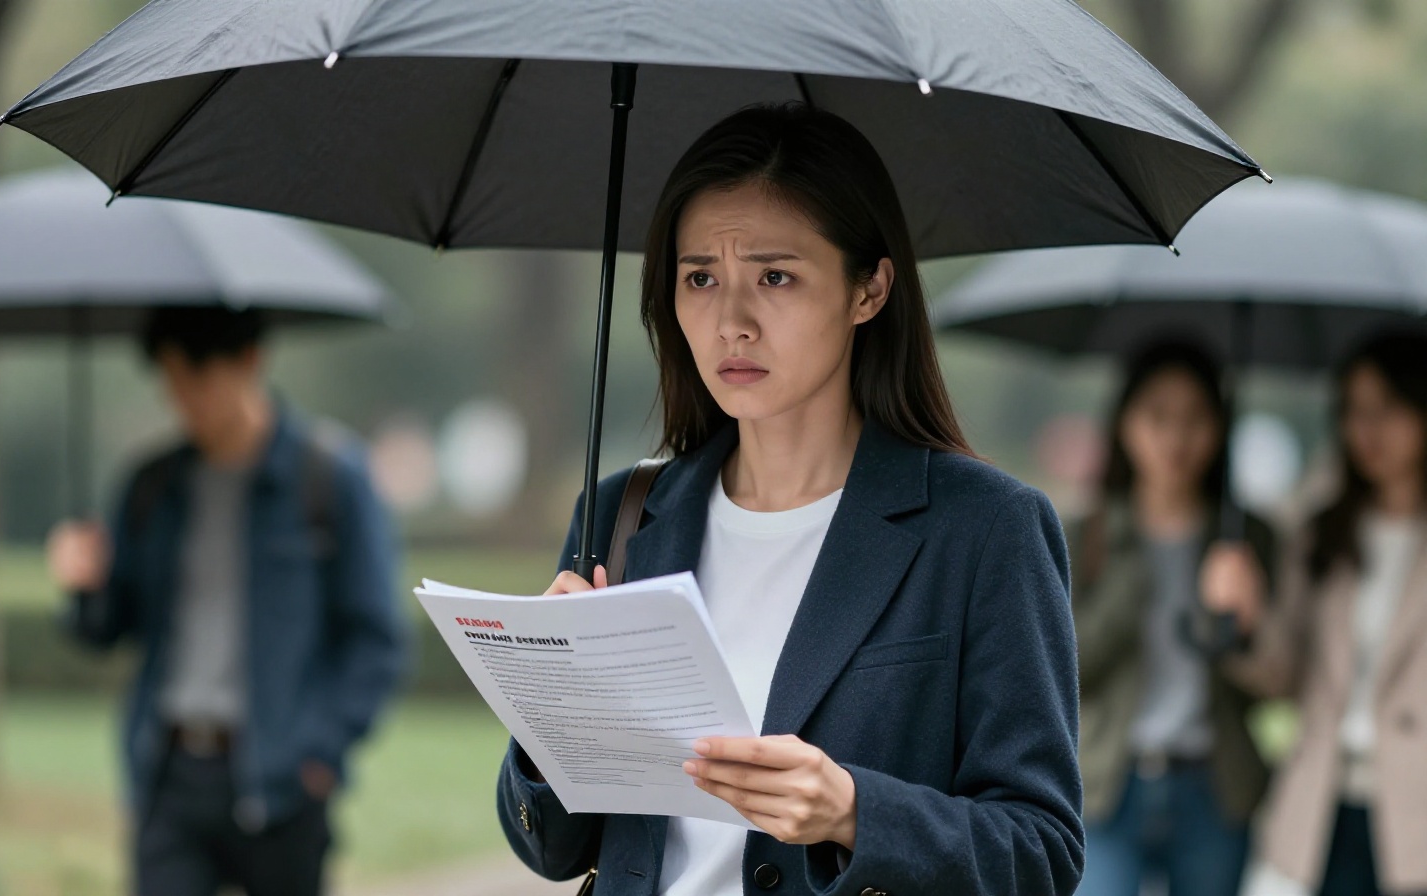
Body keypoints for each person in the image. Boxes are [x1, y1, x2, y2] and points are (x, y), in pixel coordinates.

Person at [495, 103, 1083, 895]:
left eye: (775, 276)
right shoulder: (621, 515)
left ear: (870, 289)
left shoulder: (985, 530)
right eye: (700, 276)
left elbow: (1041, 851)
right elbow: (553, 851)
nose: (731, 321)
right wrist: (553, 711)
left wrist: (854, 811)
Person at [45, 305, 407, 896]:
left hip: (283, 778)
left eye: (197, 378)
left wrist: (319, 753)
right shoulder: (152, 486)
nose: (182, 399)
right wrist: (81, 582)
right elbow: (109, 628)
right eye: (170, 381)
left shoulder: (329, 477)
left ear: (249, 360)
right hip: (170, 773)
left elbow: (376, 639)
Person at [1220, 333, 1427, 896]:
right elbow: (1281, 677)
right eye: (1354, 411)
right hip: (1320, 801)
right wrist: (1243, 621)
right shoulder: (1321, 532)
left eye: (1387, 408)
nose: (1368, 431)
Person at [1069, 340, 1274, 896]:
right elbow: (1062, 672)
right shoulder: (1084, 534)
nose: (1176, 439)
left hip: (1213, 784)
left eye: (1195, 419)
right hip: (1108, 781)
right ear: (1125, 424)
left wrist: (1242, 620)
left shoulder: (1245, 538)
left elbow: (1275, 685)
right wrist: (1131, 574)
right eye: (1157, 416)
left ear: (1220, 428)